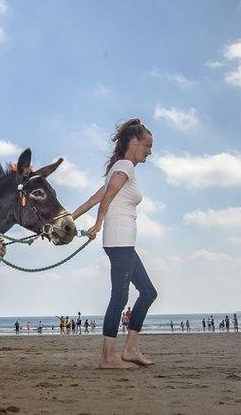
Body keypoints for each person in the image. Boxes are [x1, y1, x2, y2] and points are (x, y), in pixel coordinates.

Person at [72, 118, 157, 369]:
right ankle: (108, 357)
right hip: (119, 240)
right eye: (148, 145)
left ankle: (130, 349)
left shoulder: (120, 167)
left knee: (148, 292)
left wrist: (68, 218)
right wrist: (98, 224)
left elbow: (94, 197)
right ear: (134, 142)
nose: (150, 151)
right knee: (119, 297)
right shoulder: (125, 166)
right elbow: (106, 197)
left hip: (123, 241)